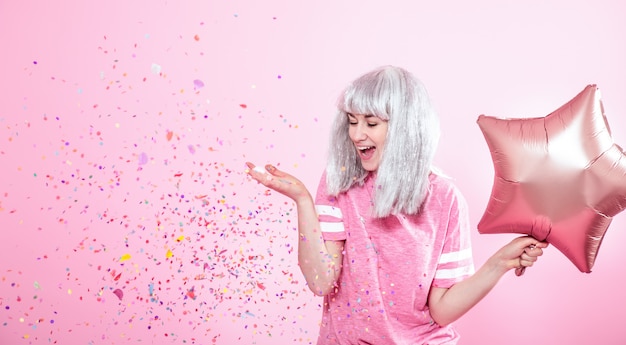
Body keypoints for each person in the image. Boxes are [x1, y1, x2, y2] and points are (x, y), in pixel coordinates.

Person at [245, 65, 548, 344]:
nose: (356, 134)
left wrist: (499, 264)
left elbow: (442, 310)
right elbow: (320, 280)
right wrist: (302, 200)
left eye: (371, 123)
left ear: (405, 128)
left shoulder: (445, 198)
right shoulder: (340, 181)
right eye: (352, 121)